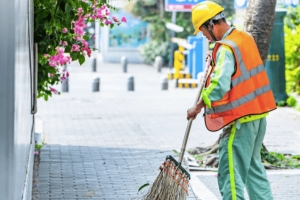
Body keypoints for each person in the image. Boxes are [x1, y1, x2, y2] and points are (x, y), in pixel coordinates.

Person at [187, 1, 277, 200]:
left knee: (231, 173)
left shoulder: (226, 48)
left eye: (203, 30)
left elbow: (220, 87)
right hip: (258, 117)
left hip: (241, 121)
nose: (203, 36)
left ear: (212, 24)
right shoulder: (244, 38)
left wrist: (198, 105)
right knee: (254, 170)